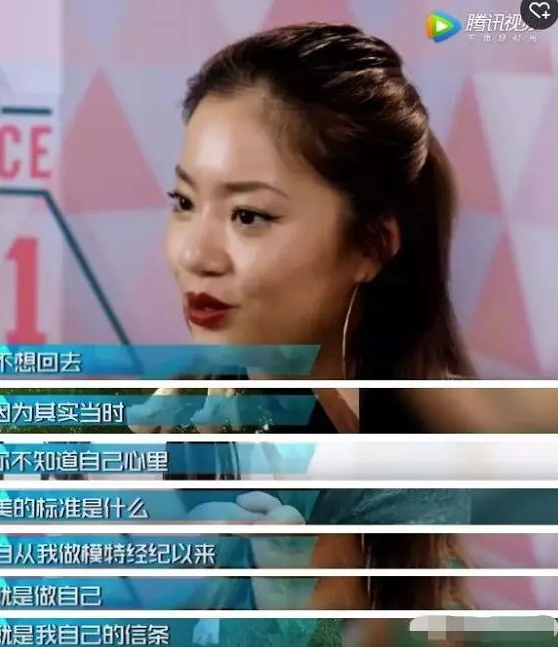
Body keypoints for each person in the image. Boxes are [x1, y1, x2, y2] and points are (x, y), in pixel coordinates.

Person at [145, 21, 477, 633]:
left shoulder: (387, 489)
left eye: (249, 215)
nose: (194, 254)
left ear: (371, 245)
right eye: (185, 202)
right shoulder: (196, 415)